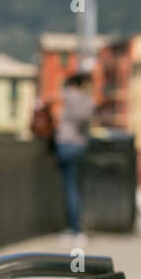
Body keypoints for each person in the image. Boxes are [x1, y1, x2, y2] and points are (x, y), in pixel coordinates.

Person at [55, 72, 94, 245]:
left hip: (67, 145)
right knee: (77, 186)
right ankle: (76, 227)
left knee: (70, 187)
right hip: (81, 145)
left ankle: (75, 228)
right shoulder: (87, 99)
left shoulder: (69, 97)